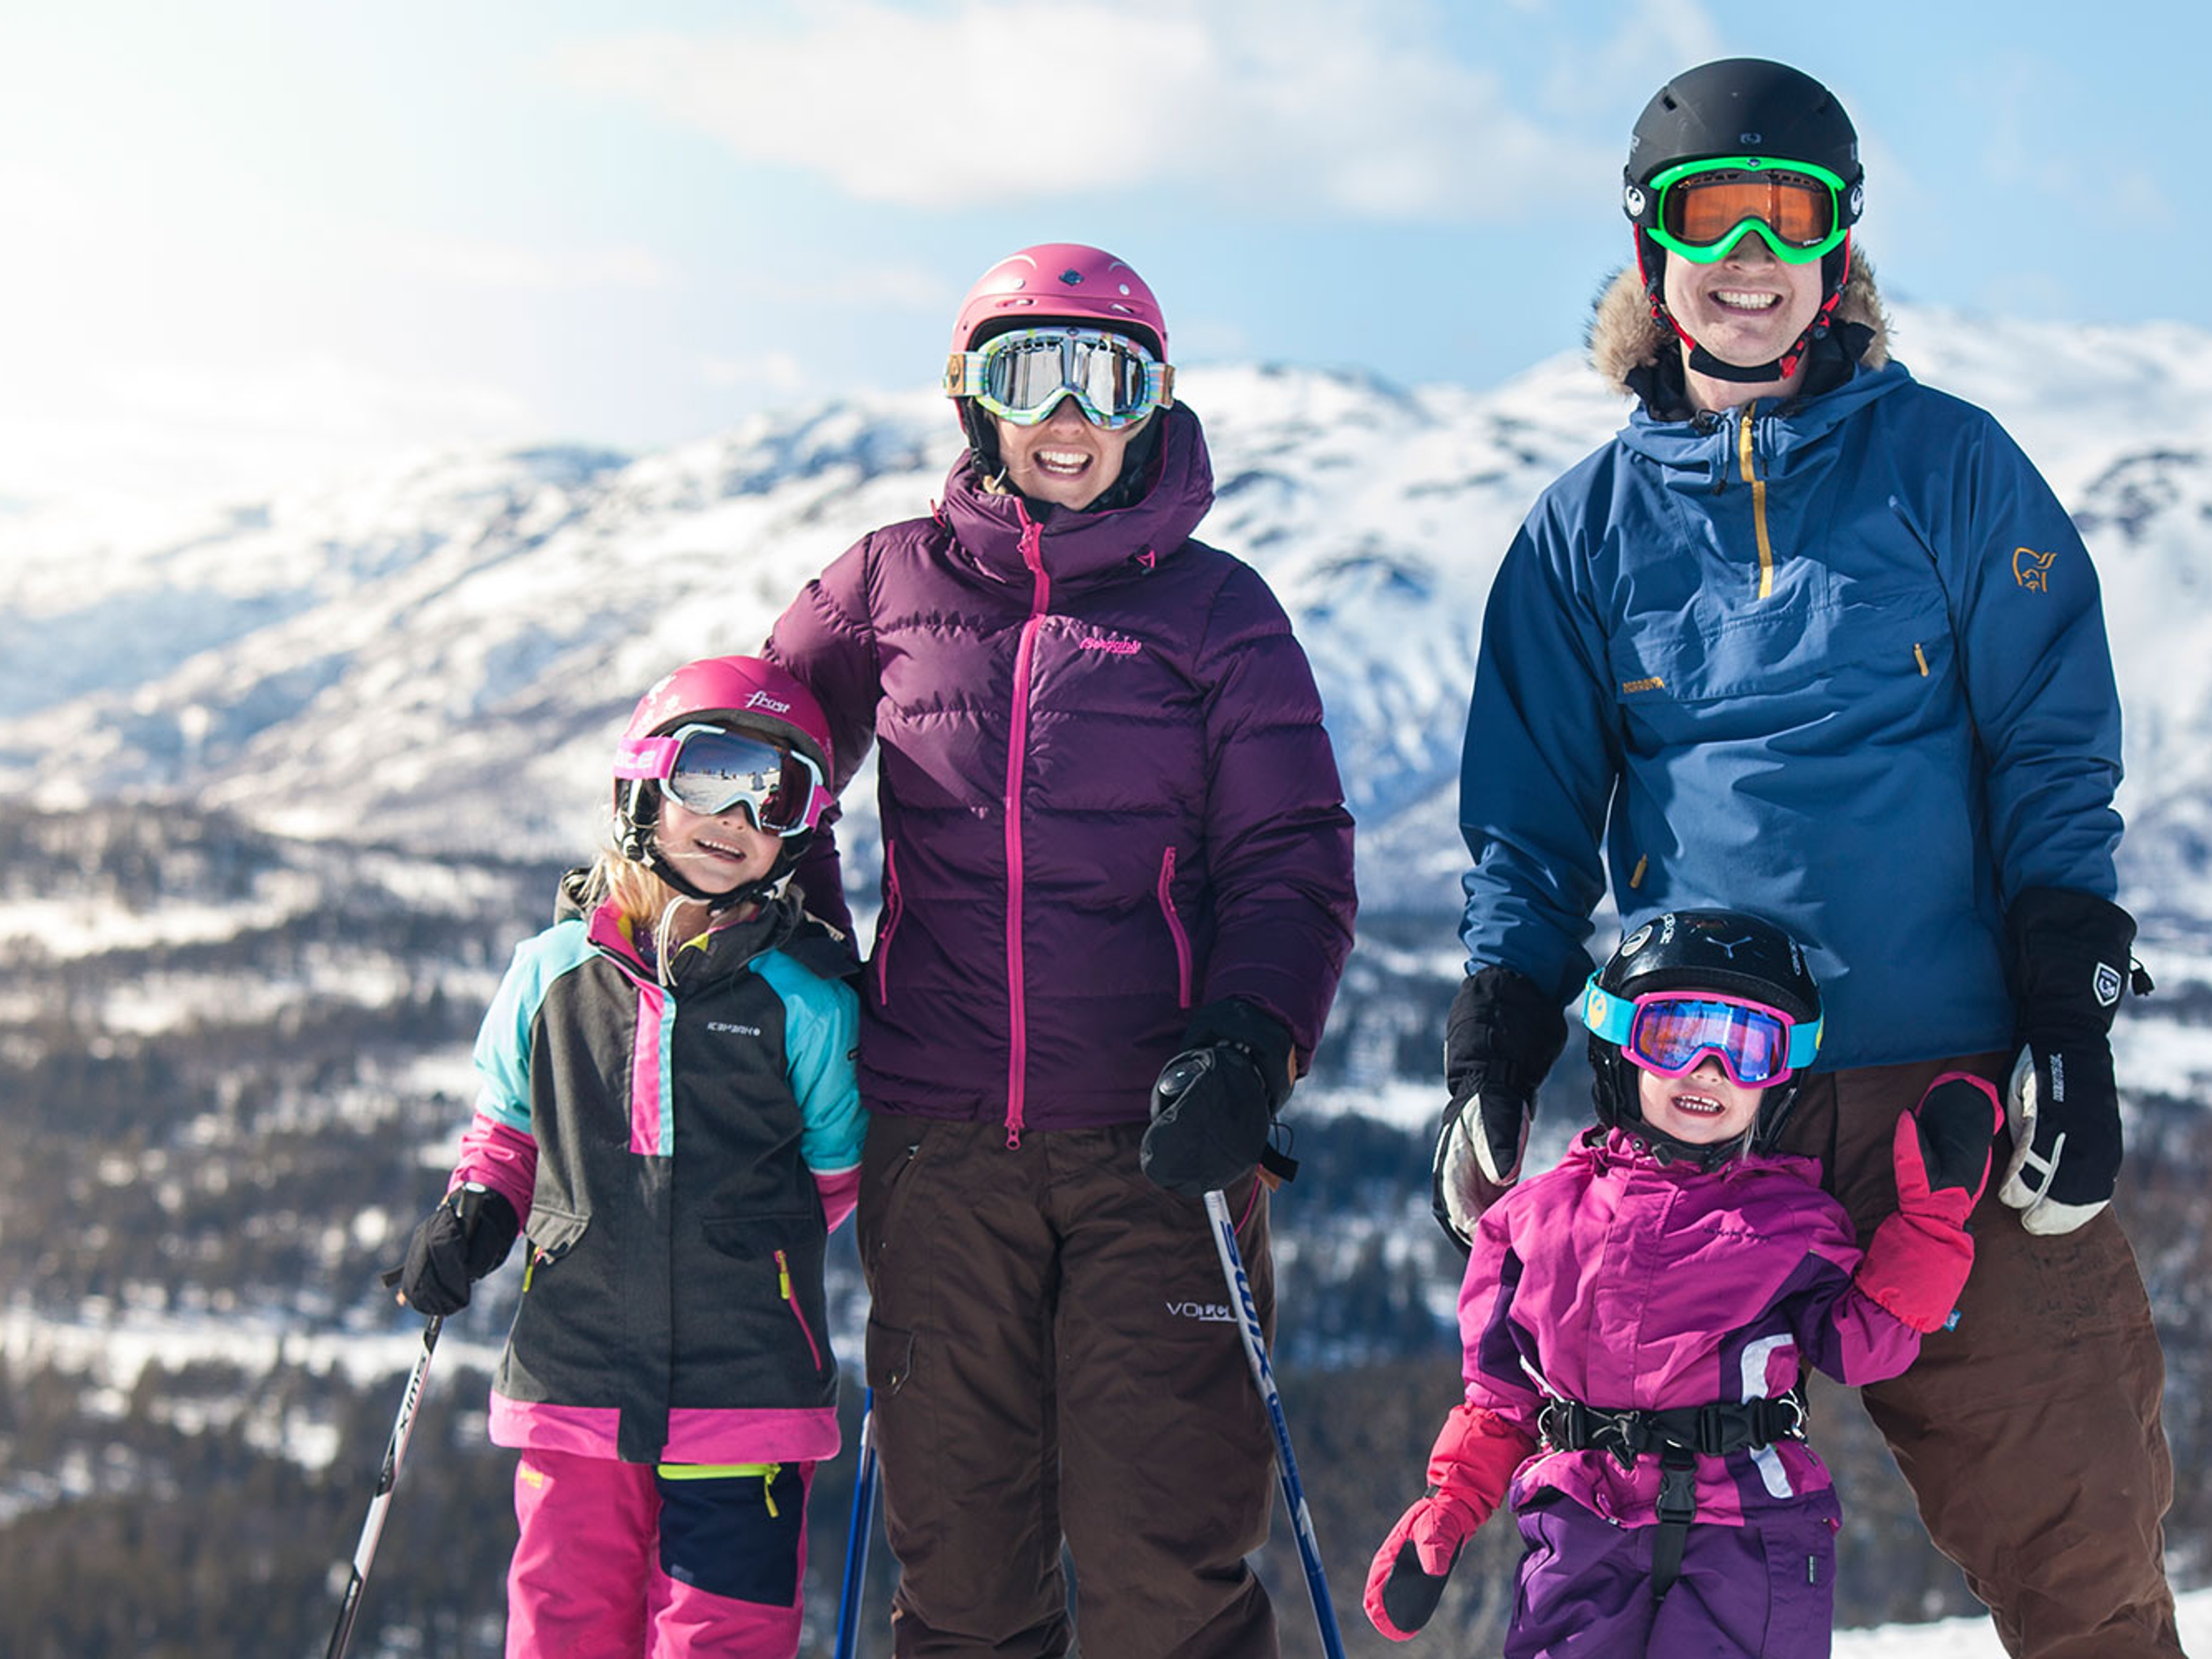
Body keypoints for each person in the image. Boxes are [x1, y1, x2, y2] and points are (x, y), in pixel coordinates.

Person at [1429, 56, 2183, 1659]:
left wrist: (2069, 1019)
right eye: (1716, 221)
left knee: (2076, 1532)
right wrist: (1497, 1039)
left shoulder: (1952, 468)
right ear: (1654, 256)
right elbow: (1532, 823)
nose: (1754, 260)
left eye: (1795, 219)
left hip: (1947, 1094)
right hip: (1699, 1110)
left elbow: (2053, 748)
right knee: (1650, 1561)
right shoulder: (1584, 535)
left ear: (1840, 249)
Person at [764, 242, 1358, 1657]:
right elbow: (764, 761)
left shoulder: (1220, 614)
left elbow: (1294, 861)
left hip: (1157, 1147)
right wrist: (818, 959)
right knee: (964, 1576)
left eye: (1109, 375)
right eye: (1031, 374)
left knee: (1167, 1567)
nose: (1071, 416)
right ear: (974, 400)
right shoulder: (883, 585)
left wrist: (1247, 1040)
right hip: (941, 1146)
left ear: (1153, 399)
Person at [392, 654, 864, 1659]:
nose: (738, 816)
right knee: (566, 1625)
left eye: (775, 799)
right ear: (644, 781)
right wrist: (479, 1208)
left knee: (721, 1638)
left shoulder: (806, 1004)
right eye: (714, 775)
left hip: (748, 1390)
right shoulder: (552, 976)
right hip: (576, 1372)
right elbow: (510, 1126)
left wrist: (745, 1254)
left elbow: (832, 1175)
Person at [1368, 911, 2003, 1656]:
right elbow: (1501, 1401)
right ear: (1620, 1047)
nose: (1709, 1069)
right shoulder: (1533, 1223)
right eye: (1674, 1038)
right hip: (1582, 1529)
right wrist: (1450, 1504)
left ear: (1781, 1077)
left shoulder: (1795, 1223)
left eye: (1747, 1049)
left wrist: (1929, 1228)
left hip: (1748, 1536)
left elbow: (1866, 1348)